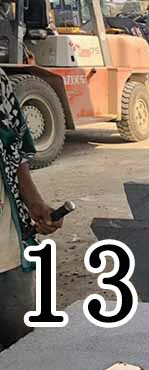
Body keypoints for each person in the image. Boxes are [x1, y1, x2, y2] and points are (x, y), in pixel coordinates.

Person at [0, 68, 63, 351]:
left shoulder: (0, 82)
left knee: (21, 350)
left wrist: (34, 202)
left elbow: (14, 150)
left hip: (6, 248)